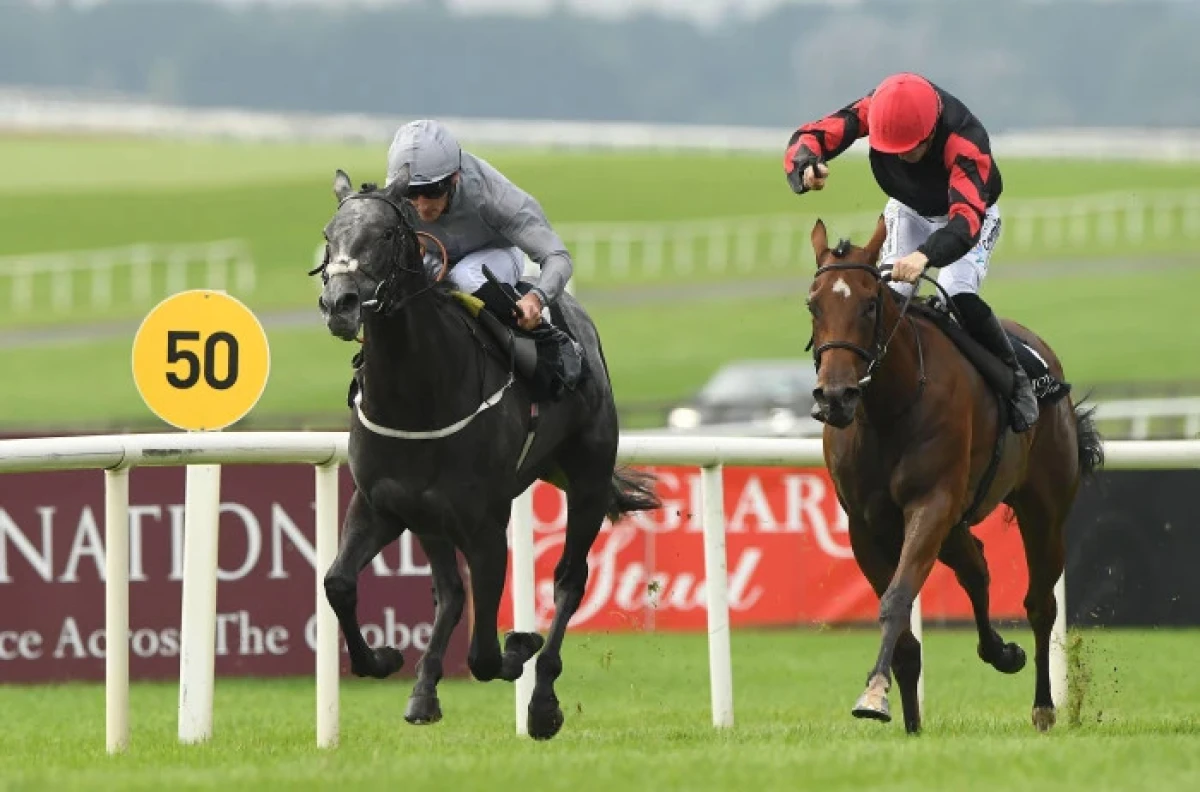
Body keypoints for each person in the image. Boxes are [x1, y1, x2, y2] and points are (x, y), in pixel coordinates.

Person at [784, 72, 1038, 433]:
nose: (900, 158)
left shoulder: (967, 143)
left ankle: (1015, 379)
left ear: (932, 133)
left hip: (966, 217)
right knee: (888, 299)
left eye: (909, 148)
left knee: (957, 294)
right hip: (908, 209)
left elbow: (965, 222)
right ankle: (855, 387)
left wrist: (924, 256)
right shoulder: (875, 110)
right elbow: (808, 136)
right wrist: (805, 164)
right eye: (891, 149)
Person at [385, 119, 584, 399]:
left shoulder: (494, 195)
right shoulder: (392, 196)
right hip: (432, 258)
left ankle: (543, 339)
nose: (421, 205)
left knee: (466, 275)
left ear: (454, 178)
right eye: (411, 194)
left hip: (495, 256)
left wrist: (536, 299)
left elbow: (557, 257)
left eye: (432, 192)